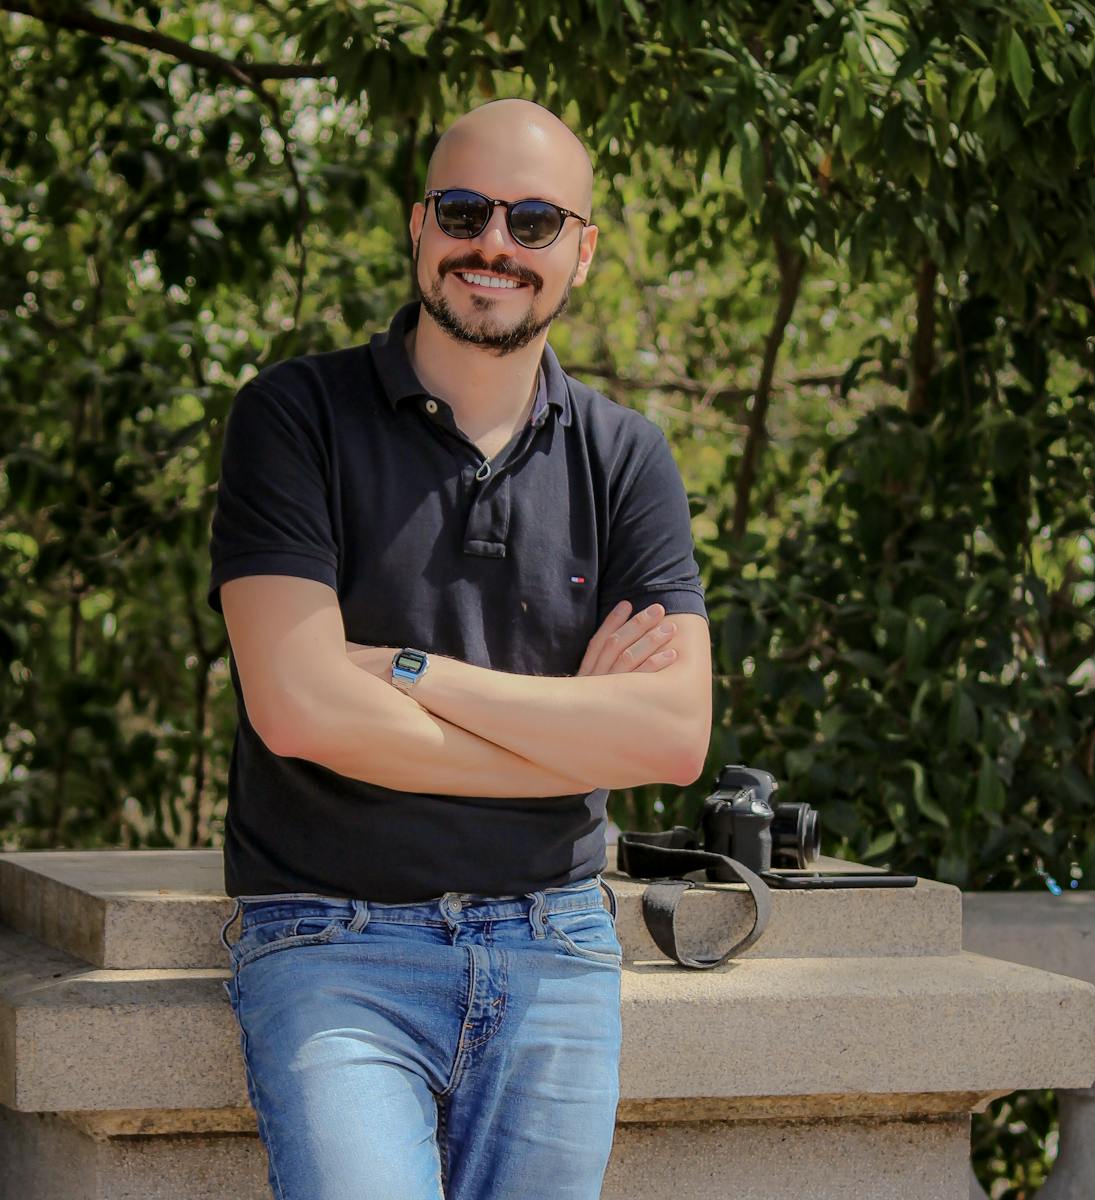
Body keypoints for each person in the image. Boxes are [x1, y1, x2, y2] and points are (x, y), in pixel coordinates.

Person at [207, 97, 712, 1200]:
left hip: (555, 944)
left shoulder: (628, 459)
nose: (495, 243)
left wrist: (405, 669)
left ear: (581, 250)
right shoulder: (293, 418)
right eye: (467, 209)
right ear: (418, 223)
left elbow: (674, 736)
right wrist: (573, 745)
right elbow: (297, 711)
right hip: (329, 944)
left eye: (534, 221)